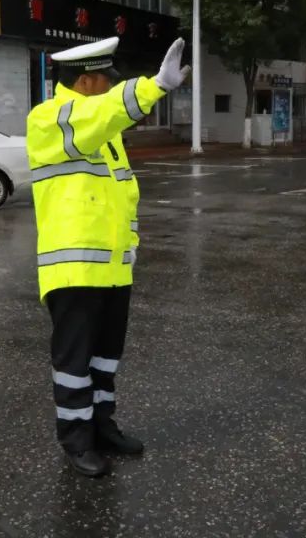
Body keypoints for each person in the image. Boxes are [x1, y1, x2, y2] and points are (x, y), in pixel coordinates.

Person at [26, 35, 188, 478]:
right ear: (86, 81)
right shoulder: (49, 118)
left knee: (104, 360)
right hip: (74, 268)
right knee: (75, 363)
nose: (109, 89)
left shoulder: (104, 132)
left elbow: (125, 193)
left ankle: (102, 427)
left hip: (113, 268)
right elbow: (100, 113)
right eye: (106, 80)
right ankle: (76, 441)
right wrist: (153, 86)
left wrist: (132, 243)